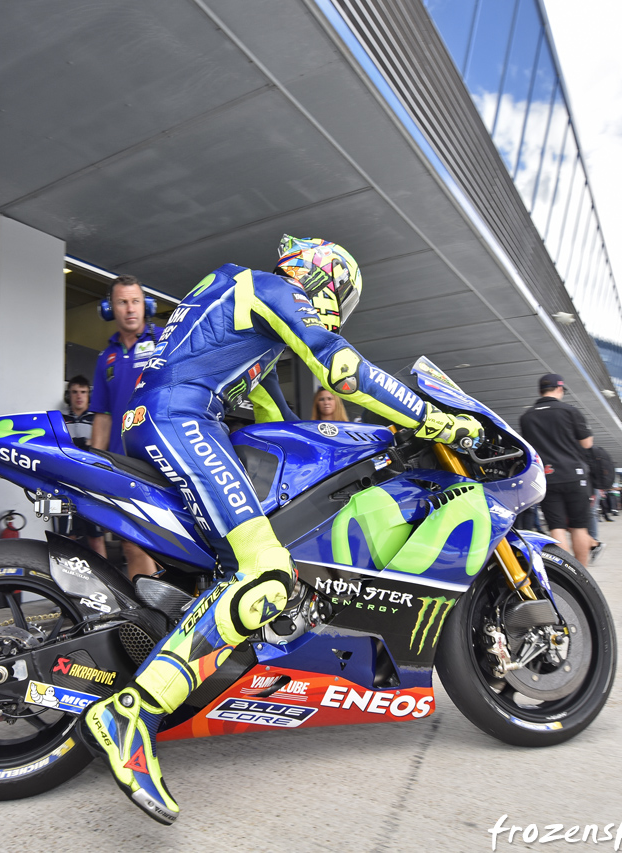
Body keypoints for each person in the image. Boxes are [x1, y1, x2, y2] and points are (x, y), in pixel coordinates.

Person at [79, 235, 483, 824]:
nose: (336, 313)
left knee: (244, 564)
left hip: (172, 417)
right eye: (339, 300)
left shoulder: (241, 312)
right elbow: (343, 370)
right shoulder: (268, 290)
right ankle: (132, 713)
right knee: (266, 572)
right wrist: (439, 422)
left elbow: (273, 415)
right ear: (324, 279)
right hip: (180, 418)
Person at [89, 275, 162, 580]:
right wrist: (92, 464)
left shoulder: (165, 342)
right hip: (124, 465)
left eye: (135, 301)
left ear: (145, 306)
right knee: (133, 544)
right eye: (122, 302)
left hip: (163, 459)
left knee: (167, 545)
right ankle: (154, 620)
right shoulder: (105, 358)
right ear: (110, 309)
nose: (130, 309)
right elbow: (102, 416)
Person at [518, 374, 594, 566]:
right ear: (560, 389)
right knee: (579, 527)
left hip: (547, 477)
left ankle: (566, 573)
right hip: (574, 476)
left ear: (540, 391)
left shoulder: (527, 417)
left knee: (556, 528)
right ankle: (583, 575)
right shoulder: (570, 411)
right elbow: (587, 444)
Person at [58, 376, 106, 557]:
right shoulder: (61, 419)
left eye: (83, 392)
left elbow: (100, 446)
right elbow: (60, 446)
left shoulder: (98, 419)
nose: (79, 396)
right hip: (64, 486)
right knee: (66, 538)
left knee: (96, 537)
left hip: (91, 486)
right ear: (68, 395)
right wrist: (84, 442)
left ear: (89, 395)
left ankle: (108, 582)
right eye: (75, 392)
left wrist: (75, 444)